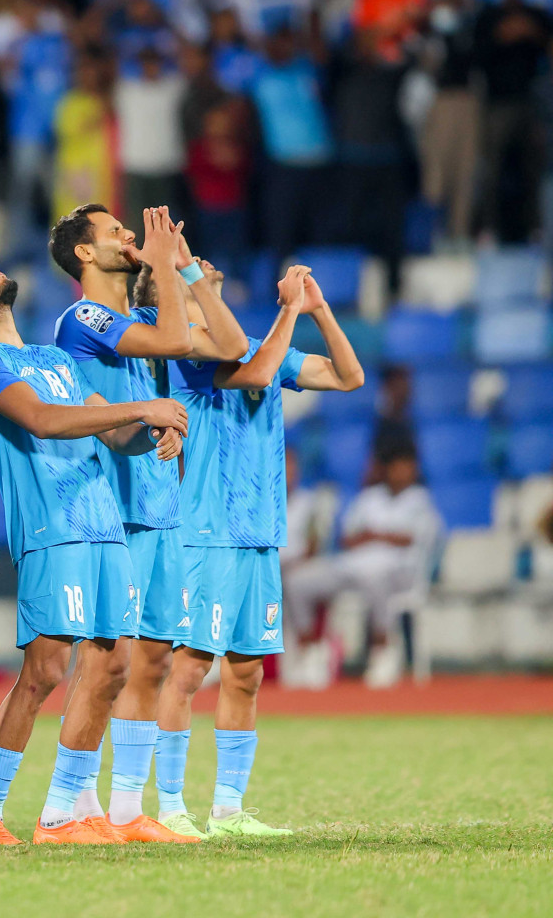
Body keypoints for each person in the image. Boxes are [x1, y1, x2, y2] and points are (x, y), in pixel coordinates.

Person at [0, 259, 187, 845]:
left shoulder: (56, 360)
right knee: (45, 669)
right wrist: (138, 410)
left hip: (104, 526)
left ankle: (62, 815)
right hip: (53, 528)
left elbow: (117, 436)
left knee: (114, 666)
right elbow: (43, 421)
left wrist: (156, 430)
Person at [51, 204, 245, 840]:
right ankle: (70, 801)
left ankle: (128, 809)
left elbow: (232, 347)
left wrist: (186, 270)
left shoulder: (137, 319)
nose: (129, 237)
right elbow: (167, 349)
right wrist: (161, 261)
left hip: (160, 509)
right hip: (110, 511)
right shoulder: (85, 318)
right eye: (115, 233)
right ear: (84, 254)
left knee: (153, 661)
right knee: (106, 662)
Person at [167, 266, 364, 836]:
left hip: (258, 531)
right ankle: (171, 807)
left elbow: (348, 377)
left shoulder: (262, 344)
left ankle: (228, 810)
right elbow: (254, 375)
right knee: (189, 668)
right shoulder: (185, 349)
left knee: (247, 671)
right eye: (194, 267)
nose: (209, 268)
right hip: (205, 530)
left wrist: (318, 308)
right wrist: (289, 310)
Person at [285, 442, 441, 690]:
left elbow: (413, 538)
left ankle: (383, 651)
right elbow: (346, 538)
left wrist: (375, 535)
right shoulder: (369, 498)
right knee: (298, 582)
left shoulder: (420, 500)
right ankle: (310, 652)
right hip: (353, 566)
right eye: (396, 468)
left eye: (406, 468)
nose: (401, 473)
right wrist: (375, 537)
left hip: (400, 571)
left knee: (375, 575)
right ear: (386, 469)